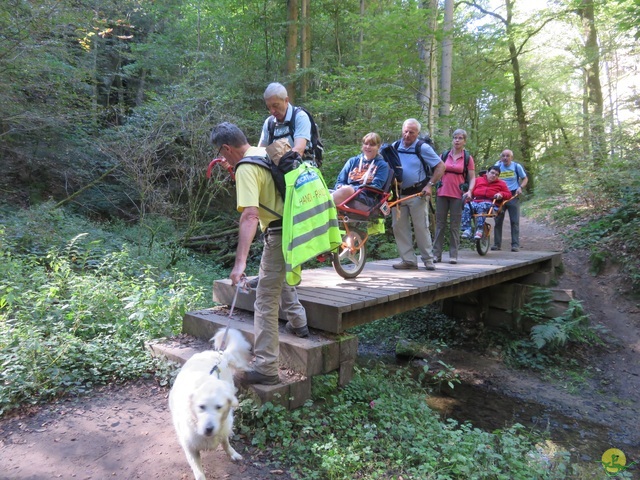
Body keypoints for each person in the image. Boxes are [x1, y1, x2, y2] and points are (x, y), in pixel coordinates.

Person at [209, 122, 309, 385]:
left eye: (222, 154)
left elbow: (251, 214)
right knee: (275, 280)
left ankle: (267, 368)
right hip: (293, 228)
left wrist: (239, 263)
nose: (222, 158)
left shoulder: (246, 168)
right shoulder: (263, 153)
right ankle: (299, 322)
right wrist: (233, 169)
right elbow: (267, 186)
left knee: (264, 302)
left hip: (278, 234)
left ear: (226, 148)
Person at [391, 118, 445, 271]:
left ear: (418, 133)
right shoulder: (395, 146)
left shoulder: (423, 148)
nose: (407, 135)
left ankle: (428, 259)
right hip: (398, 194)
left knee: (421, 227)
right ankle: (408, 260)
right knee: (399, 227)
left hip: (418, 194)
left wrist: (430, 185)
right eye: (405, 131)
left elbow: (441, 166)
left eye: (411, 133)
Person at [432, 129, 476, 264]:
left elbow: (472, 177)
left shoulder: (468, 158)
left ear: (464, 141)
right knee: (440, 225)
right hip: (442, 193)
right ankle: (436, 255)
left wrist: (469, 191)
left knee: (455, 226)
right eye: (455, 138)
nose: (457, 140)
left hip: (458, 195)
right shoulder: (444, 155)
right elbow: (436, 171)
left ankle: (453, 255)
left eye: (460, 138)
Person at [332, 132, 390, 206]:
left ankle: (326, 207)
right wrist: (340, 186)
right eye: (366, 144)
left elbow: (376, 187)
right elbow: (340, 181)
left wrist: (352, 189)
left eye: (372, 145)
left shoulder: (382, 165)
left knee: (347, 190)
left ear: (378, 147)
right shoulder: (352, 161)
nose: (368, 147)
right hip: (345, 192)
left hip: (367, 197)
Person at [258, 82, 311, 157]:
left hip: (300, 166)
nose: (272, 111)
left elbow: (298, 151)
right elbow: (261, 151)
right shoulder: (269, 123)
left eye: (275, 105)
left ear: (286, 100)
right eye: (269, 107)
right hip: (276, 166)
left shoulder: (300, 117)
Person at [460, 165, 512, 239]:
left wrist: (501, 194)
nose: (494, 175)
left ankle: (479, 229)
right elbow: (470, 190)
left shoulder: (501, 184)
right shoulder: (478, 180)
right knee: (467, 206)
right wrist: (468, 194)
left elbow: (509, 194)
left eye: (496, 175)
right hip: (476, 201)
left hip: (490, 203)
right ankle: (467, 229)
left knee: (482, 206)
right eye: (492, 173)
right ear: (487, 172)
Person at [492, 149, 528, 252]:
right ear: (501, 157)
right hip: (500, 196)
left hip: (513, 195)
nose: (505, 158)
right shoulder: (497, 166)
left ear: (511, 157)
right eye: (503, 156)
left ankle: (515, 245)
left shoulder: (516, 166)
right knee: (498, 220)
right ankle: (497, 244)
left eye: (507, 156)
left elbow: (525, 178)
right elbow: (492, 177)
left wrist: (520, 187)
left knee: (514, 221)